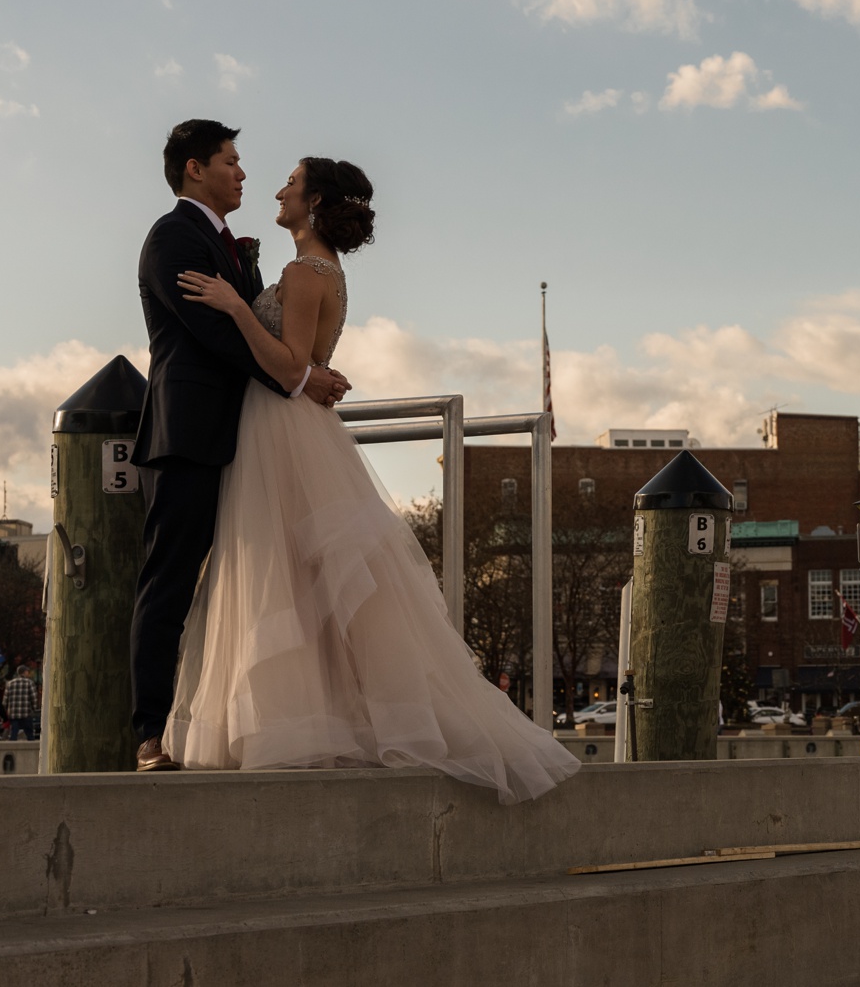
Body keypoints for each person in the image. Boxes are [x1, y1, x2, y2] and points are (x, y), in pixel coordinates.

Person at [166, 154, 580, 804]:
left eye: (292, 183)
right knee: (311, 582)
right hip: (291, 429)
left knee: (288, 573)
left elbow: (289, 362)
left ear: (315, 202)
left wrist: (234, 306)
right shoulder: (320, 269)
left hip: (284, 430)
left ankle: (300, 721)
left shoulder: (307, 271)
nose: (278, 189)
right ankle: (325, 714)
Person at [131, 121, 354, 773]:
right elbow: (213, 333)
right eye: (232, 161)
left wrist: (291, 367)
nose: (244, 173)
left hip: (249, 437)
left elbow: (250, 325)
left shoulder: (234, 248)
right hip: (191, 433)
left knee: (262, 582)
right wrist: (299, 375)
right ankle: (151, 732)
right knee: (171, 578)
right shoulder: (173, 236)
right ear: (196, 169)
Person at [4, 665, 38, 741]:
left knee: (14, 733)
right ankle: (32, 750)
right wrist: (34, 708)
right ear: (24, 672)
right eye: (27, 672)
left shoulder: (10, 683)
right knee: (29, 733)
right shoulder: (29, 683)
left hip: (13, 714)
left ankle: (12, 749)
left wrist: (7, 710)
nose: (28, 673)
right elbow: (34, 698)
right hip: (26, 713)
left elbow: (5, 700)